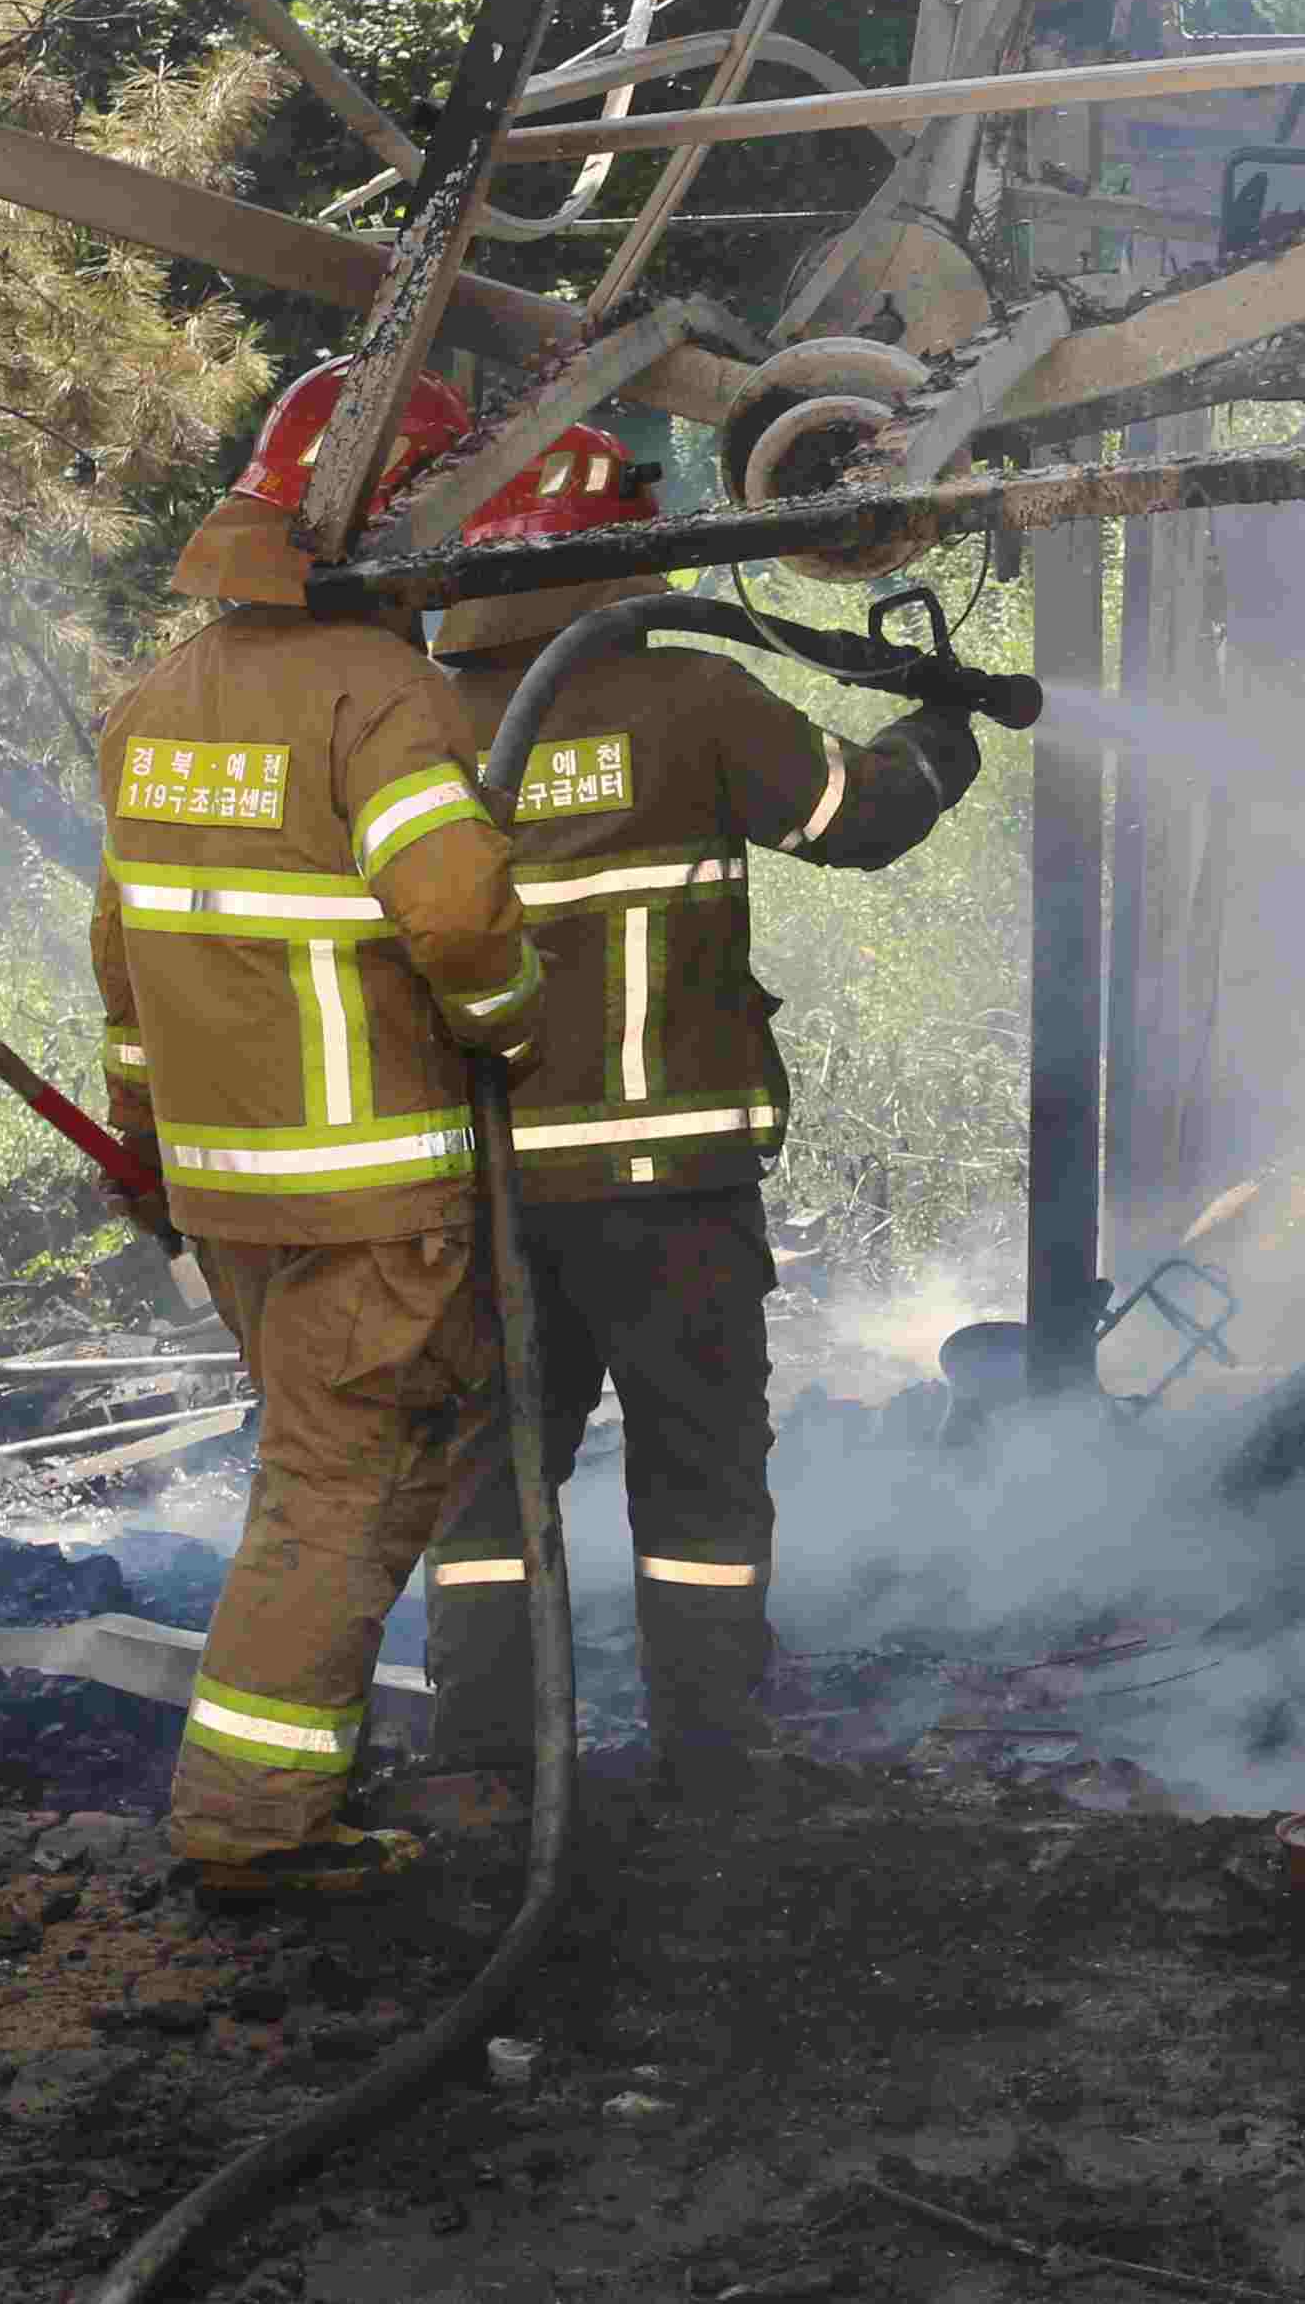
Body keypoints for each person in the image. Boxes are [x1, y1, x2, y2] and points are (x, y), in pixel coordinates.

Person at [404, 425, 982, 1821]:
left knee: (488, 1478)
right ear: (619, 551)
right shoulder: (689, 703)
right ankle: (711, 1757)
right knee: (698, 1475)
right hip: (667, 1188)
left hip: (483, 1192)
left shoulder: (411, 720)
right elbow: (855, 814)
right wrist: (942, 730)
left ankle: (482, 1753)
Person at [86, 358, 546, 1899]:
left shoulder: (155, 701)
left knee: (323, 1481)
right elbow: (460, 905)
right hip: (374, 1201)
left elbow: (121, 960)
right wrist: (506, 1023)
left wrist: (146, 1135)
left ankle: (288, 1783)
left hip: (232, 1199)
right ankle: (253, 1822)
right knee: (334, 1498)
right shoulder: (380, 692)